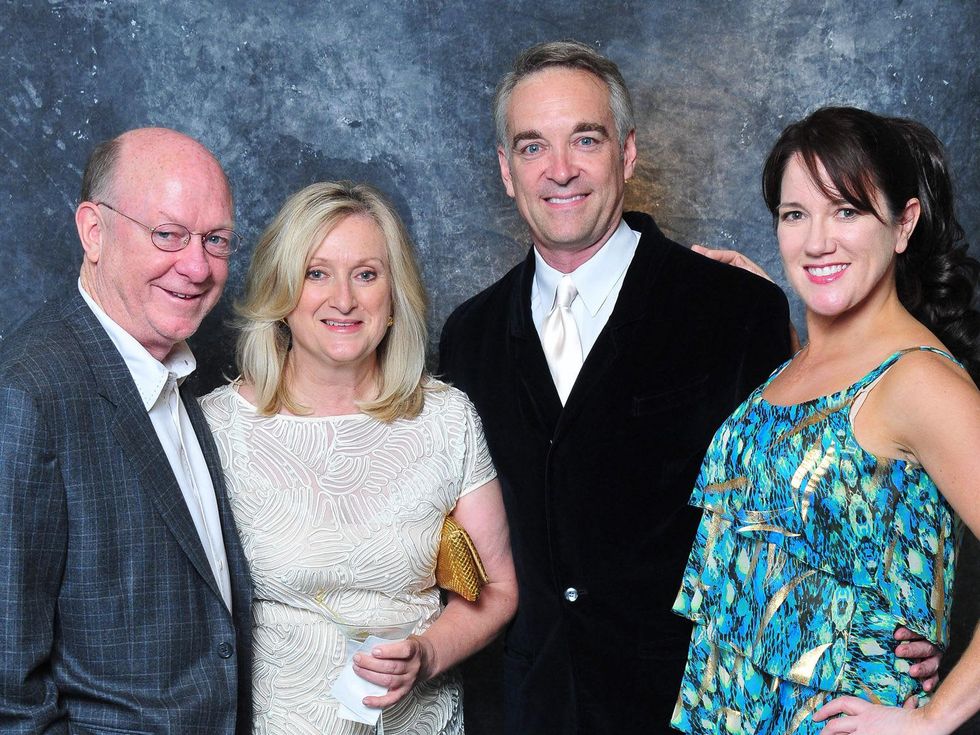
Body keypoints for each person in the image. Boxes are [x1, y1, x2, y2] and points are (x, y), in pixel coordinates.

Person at [437, 40, 794, 734]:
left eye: (586, 139)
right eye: (533, 147)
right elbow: (465, 550)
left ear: (626, 155)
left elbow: (793, 518)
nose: (560, 170)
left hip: (696, 710)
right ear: (507, 171)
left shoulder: (734, 309)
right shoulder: (469, 335)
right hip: (524, 709)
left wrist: (884, 628)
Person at [671, 106, 980, 735]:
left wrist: (936, 717)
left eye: (847, 211)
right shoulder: (794, 367)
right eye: (795, 215)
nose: (817, 241)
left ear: (903, 225)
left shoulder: (918, 380)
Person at [199, 180, 518, 733]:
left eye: (366, 274)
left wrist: (428, 655)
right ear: (281, 292)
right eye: (316, 273)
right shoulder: (214, 428)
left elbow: (498, 589)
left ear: (393, 297)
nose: (343, 299)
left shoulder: (447, 418)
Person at [0, 128, 253, 732]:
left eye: (214, 240)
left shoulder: (179, 370)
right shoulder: (27, 397)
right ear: (93, 231)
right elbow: (8, 694)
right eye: (167, 234)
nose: (195, 266)